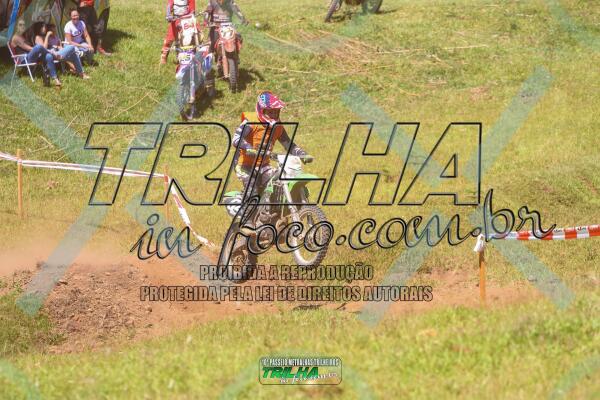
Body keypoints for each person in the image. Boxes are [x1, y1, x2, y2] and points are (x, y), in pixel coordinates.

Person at [233, 91, 311, 207]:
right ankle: (248, 214)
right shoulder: (250, 122)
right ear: (261, 110)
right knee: (252, 189)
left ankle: (272, 210)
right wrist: (248, 148)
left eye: (276, 111)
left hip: (264, 165)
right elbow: (236, 139)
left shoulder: (277, 126)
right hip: (244, 165)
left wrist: (302, 153)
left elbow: (288, 144)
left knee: (279, 183)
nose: (274, 115)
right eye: (270, 112)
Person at [10, 19, 60, 86]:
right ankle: (53, 54)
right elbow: (28, 48)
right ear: (16, 27)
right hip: (24, 59)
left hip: (31, 56)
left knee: (48, 56)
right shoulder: (16, 37)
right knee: (39, 47)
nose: (22, 27)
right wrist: (39, 49)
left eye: (24, 25)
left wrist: (40, 50)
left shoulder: (24, 36)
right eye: (20, 25)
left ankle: (55, 78)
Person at [160, 0, 197, 65]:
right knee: (169, 39)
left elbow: (192, 9)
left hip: (186, 21)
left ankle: (185, 58)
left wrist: (190, 16)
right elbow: (169, 5)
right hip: (175, 20)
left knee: (187, 40)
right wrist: (168, 15)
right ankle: (164, 57)